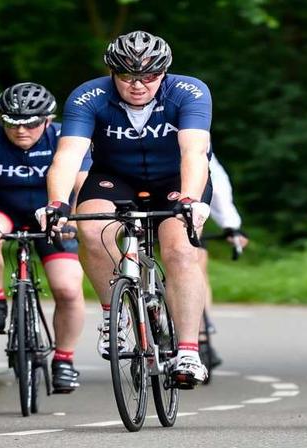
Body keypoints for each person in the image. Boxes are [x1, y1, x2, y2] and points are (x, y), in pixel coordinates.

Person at [37, 30, 214, 388]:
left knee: (180, 250)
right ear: (111, 72)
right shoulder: (89, 96)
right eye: (127, 76)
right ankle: (112, 316)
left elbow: (193, 152)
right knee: (90, 228)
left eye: (149, 77)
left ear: (164, 72)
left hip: (174, 181)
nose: (138, 86)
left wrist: (191, 200)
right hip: (114, 177)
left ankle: (189, 352)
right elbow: (68, 155)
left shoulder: (189, 91)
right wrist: (56, 203)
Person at [0, 82, 90, 394]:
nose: (21, 131)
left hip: (54, 214)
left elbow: (83, 185)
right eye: (12, 124)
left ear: (48, 121)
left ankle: (64, 360)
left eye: (30, 124)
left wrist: (74, 219)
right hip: (3, 209)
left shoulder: (65, 138)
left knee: (67, 289)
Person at [198, 154, 249, 371]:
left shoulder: (189, 128)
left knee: (194, 257)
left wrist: (230, 225)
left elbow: (215, 180)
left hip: (175, 200)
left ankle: (200, 334)